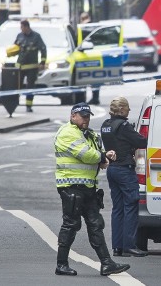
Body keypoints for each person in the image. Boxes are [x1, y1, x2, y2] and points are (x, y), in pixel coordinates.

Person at [54, 102, 131, 277]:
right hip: (71, 186)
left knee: (96, 225)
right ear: (73, 116)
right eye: (83, 116)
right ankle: (61, 264)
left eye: (88, 116)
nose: (86, 119)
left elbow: (95, 152)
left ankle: (107, 264)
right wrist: (102, 157)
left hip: (88, 187)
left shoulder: (87, 134)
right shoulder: (67, 133)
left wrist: (104, 156)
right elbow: (87, 154)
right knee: (71, 225)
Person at [101, 97, 148, 257]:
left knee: (118, 208)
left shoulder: (106, 125)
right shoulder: (124, 126)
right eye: (127, 108)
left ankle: (117, 246)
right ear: (121, 110)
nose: (129, 111)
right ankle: (130, 245)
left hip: (112, 169)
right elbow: (142, 142)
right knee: (131, 206)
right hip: (125, 170)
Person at [13, 19, 47, 112]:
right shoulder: (19, 36)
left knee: (30, 87)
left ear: (27, 27)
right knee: (17, 85)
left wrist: (42, 62)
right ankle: (14, 103)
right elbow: (14, 48)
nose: (21, 29)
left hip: (32, 67)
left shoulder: (36, 36)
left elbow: (43, 49)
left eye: (22, 27)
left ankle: (28, 105)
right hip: (20, 66)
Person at [79, 12, 101, 105]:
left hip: (88, 57)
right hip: (94, 57)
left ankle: (92, 98)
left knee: (87, 79)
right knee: (94, 79)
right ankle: (95, 98)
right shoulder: (95, 27)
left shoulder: (85, 28)